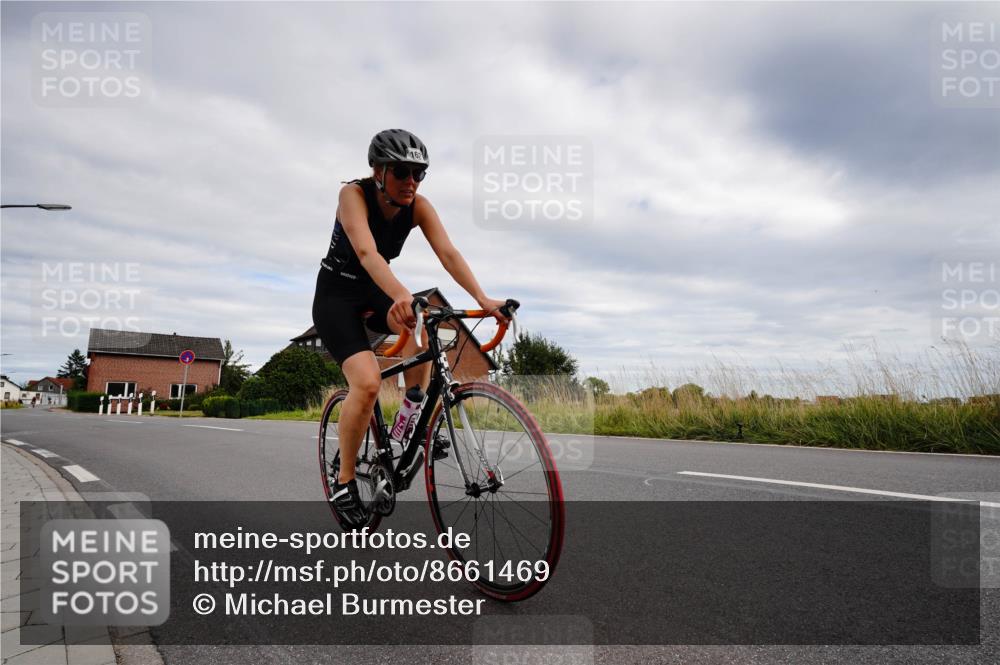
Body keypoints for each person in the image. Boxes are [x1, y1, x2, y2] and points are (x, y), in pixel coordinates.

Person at [312, 129, 510, 529]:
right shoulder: (353, 195)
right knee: (366, 384)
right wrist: (402, 293)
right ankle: (345, 480)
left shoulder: (418, 206)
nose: (411, 182)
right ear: (378, 171)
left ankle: (410, 413)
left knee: (424, 326)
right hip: (336, 297)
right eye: (402, 172)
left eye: (419, 173)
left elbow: (449, 253)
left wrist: (484, 299)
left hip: (373, 289)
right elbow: (366, 252)